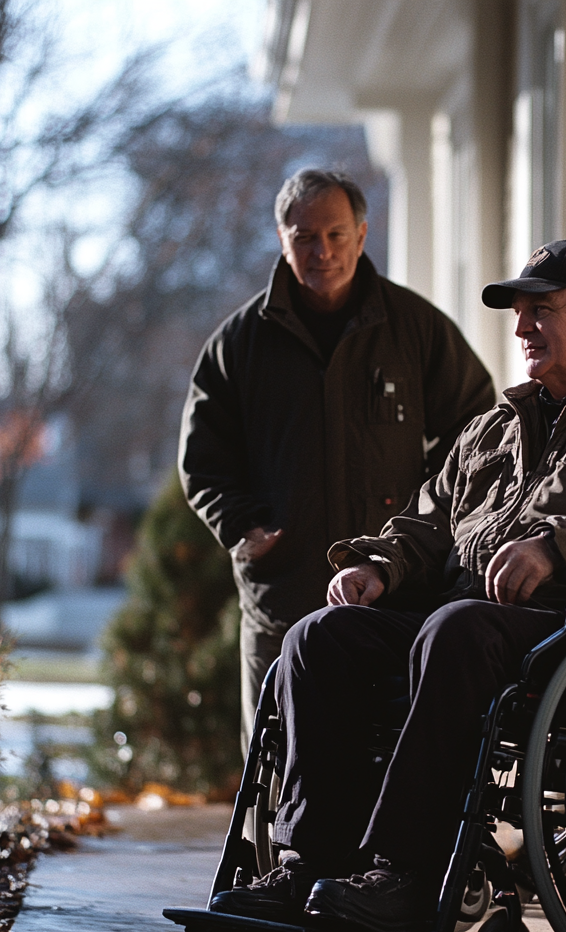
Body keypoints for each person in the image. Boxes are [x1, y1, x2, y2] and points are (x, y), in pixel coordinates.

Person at [210, 239, 566, 932]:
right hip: (468, 624)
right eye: (519, 314)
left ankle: (404, 872)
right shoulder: (497, 426)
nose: (523, 328)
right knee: (321, 635)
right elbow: (429, 521)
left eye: (541, 311)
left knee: (456, 628)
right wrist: (379, 566)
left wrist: (564, 545)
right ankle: (306, 863)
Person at [178, 169, 494, 757]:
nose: (321, 251)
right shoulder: (238, 344)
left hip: (391, 589)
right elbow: (203, 461)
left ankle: (372, 855)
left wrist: (429, 515)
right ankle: (275, 856)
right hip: (283, 588)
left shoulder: (415, 328)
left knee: (384, 750)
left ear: (362, 234)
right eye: (305, 237)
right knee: (275, 760)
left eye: (336, 234)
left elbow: (475, 429)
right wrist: (245, 527)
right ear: (282, 239)